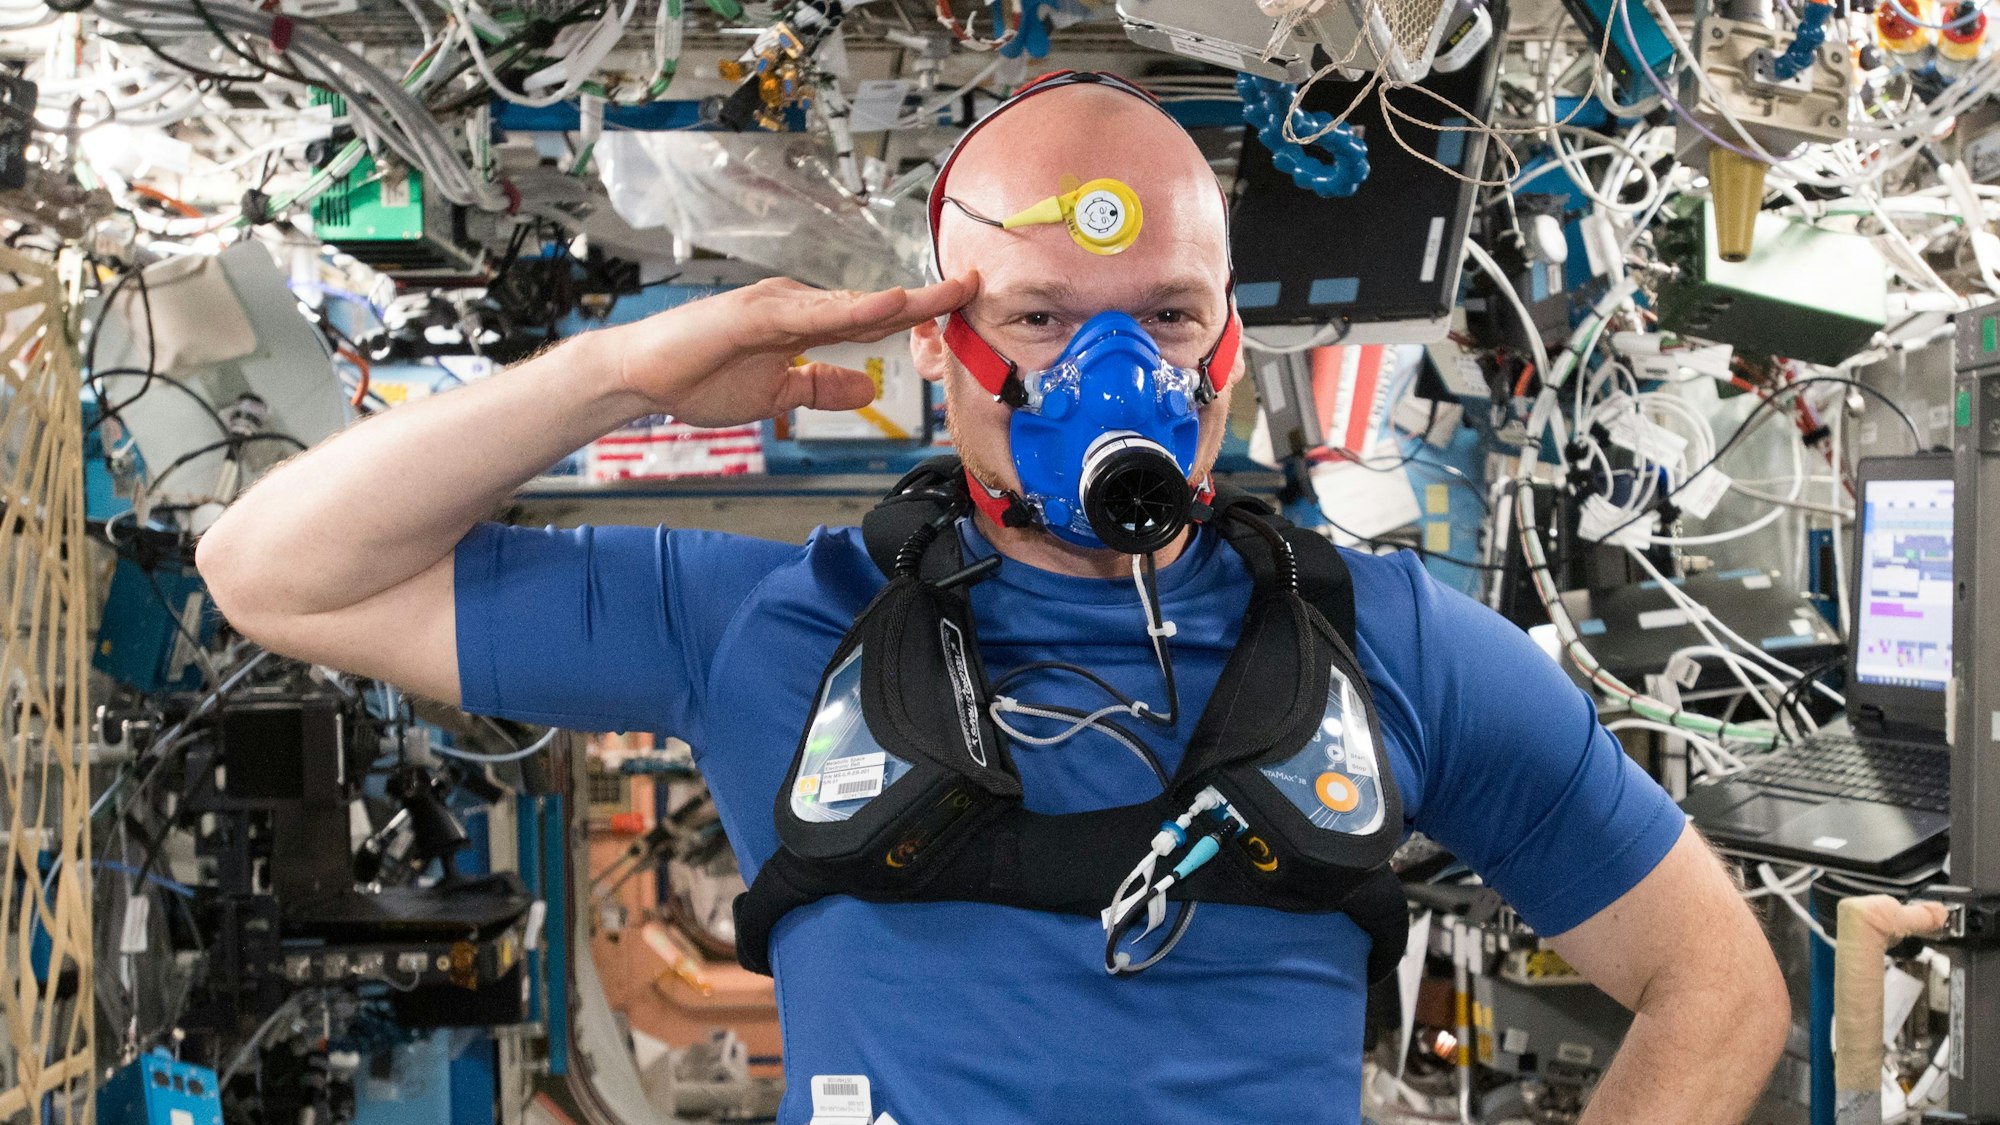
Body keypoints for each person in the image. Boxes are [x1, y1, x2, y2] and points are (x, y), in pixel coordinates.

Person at [197, 72, 1788, 1125]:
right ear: (942, 334)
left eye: (1169, 311)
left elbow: (1718, 985)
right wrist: (628, 368)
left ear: (1233, 340)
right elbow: (274, 571)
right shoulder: (775, 626)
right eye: (1037, 313)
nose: (1118, 374)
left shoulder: (1398, 651)